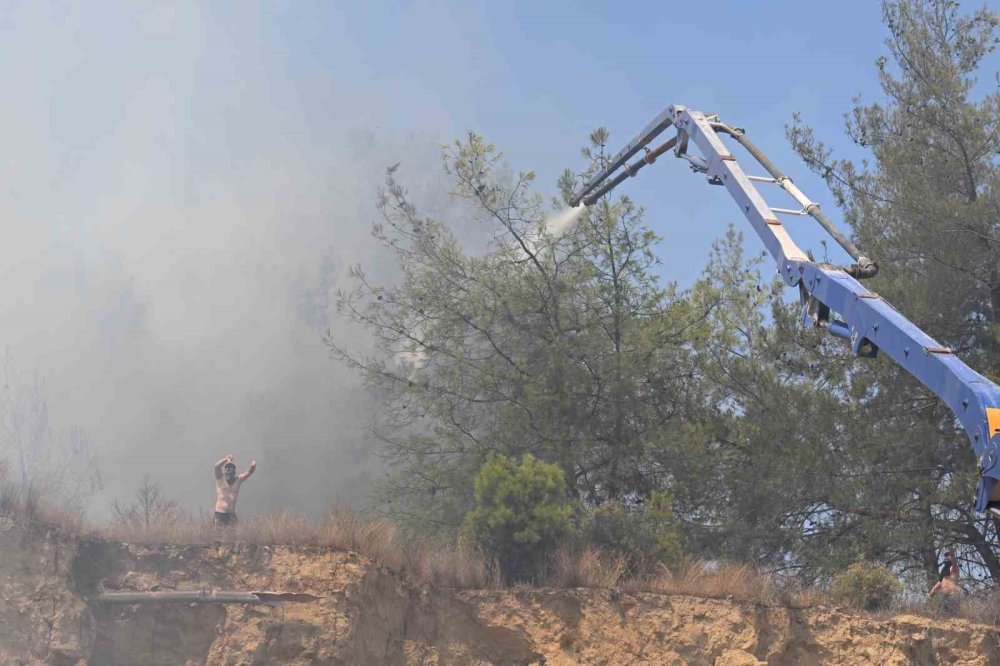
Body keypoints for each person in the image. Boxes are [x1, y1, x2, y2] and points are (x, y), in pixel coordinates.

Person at [214, 454, 256, 526]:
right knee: (219, 532)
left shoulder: (238, 480)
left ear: (234, 472)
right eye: (227, 469)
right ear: (224, 472)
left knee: (233, 532)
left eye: (231, 469)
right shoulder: (220, 479)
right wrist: (226, 459)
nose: (228, 471)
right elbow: (217, 466)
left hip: (231, 514)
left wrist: (253, 466)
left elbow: (249, 472)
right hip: (220, 514)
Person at [929, 550, 961, 614]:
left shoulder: (954, 568)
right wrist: (933, 588)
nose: (946, 557)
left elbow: (954, 561)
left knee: (953, 615)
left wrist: (951, 549)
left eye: (948, 556)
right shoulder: (943, 569)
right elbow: (940, 581)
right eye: (945, 556)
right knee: (941, 614)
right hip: (944, 595)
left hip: (952, 595)